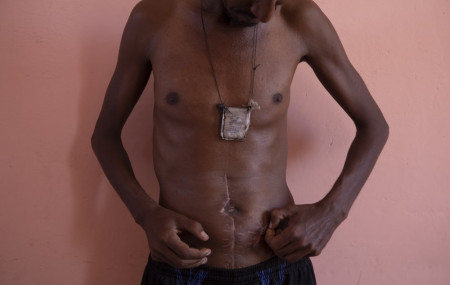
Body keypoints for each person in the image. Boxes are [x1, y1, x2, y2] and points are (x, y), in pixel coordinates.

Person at [91, 0, 389, 284]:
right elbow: (104, 136)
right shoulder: (153, 19)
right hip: (181, 268)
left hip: (278, 264)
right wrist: (146, 215)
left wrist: (332, 213)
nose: (265, 13)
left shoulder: (301, 18)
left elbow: (374, 125)